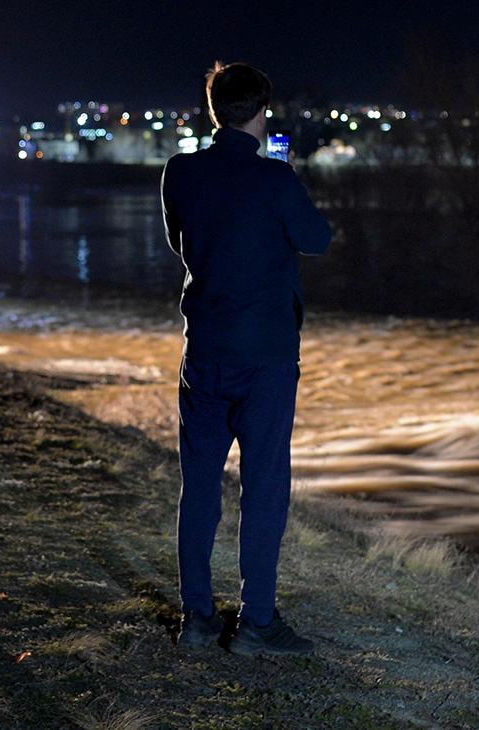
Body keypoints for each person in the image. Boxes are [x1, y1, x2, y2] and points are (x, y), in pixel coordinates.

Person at [161, 62, 331, 656]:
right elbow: (318, 238)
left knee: (199, 489)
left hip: (204, 351)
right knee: (263, 488)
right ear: (262, 112)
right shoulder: (274, 180)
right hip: (265, 358)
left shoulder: (179, 173)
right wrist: (282, 181)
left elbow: (180, 240)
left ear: (214, 112)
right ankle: (258, 623)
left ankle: (198, 619)